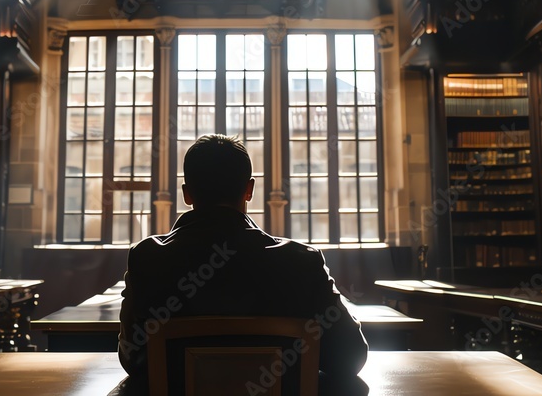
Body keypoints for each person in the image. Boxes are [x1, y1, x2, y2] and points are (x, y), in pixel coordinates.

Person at [117, 134, 368, 391]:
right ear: (250, 189)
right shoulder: (302, 261)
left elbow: (132, 358)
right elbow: (351, 357)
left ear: (186, 193)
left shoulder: (147, 258)